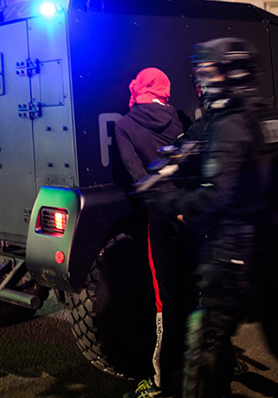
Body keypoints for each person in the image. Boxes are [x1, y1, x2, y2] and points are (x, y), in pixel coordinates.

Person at [153, 38, 278, 398]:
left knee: (209, 346)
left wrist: (172, 202)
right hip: (273, 241)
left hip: (232, 248)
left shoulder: (227, 123)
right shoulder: (268, 116)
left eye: (210, 72)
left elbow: (217, 193)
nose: (204, 80)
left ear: (230, 73)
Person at [115, 67, 195, 398]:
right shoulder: (182, 118)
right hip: (193, 212)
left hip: (161, 219)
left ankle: (162, 382)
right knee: (198, 289)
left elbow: (138, 178)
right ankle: (218, 362)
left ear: (137, 88)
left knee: (167, 300)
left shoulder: (124, 125)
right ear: (164, 88)